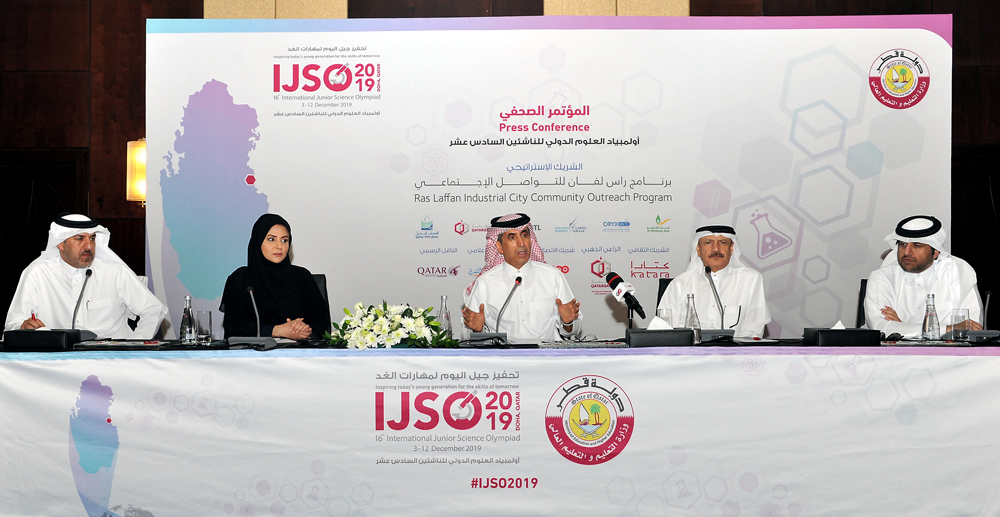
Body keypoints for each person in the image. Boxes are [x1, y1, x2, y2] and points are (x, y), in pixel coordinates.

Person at [5, 213, 167, 338]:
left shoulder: (115, 272)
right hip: (60, 362)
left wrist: (136, 344)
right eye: (80, 239)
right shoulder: (38, 273)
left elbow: (153, 309)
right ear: (60, 243)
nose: (89, 246)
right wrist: (23, 328)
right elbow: (13, 324)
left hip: (112, 361)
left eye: (92, 238)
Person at [462, 213, 581, 341]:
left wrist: (568, 323)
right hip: (503, 353)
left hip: (546, 352)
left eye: (524, 235)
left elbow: (573, 330)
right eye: (512, 238)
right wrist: (477, 330)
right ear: (499, 247)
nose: (521, 243)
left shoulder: (553, 276)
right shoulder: (485, 282)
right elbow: (467, 335)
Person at [864, 215, 982, 338]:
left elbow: (972, 328)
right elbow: (881, 328)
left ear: (935, 252)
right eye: (903, 244)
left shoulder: (958, 274)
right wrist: (948, 328)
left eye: (917, 246)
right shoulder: (881, 278)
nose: (907, 252)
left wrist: (902, 328)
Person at [220, 213, 331, 340]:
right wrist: (278, 330)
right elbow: (234, 327)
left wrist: (305, 330)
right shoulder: (241, 280)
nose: (279, 246)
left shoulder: (302, 277)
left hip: (299, 351)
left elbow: (322, 325)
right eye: (271, 239)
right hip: (254, 352)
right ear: (258, 241)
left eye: (284, 240)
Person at [657, 225, 769, 338]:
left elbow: (754, 328)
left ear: (731, 248)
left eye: (723, 242)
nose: (716, 249)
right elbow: (664, 330)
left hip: (734, 349)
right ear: (698, 249)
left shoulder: (750, 279)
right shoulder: (680, 283)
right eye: (708, 243)